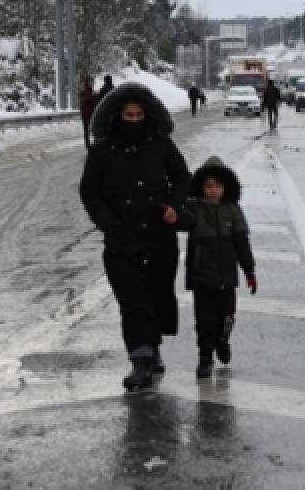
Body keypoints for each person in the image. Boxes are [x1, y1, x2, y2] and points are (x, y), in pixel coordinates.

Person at [79, 83, 190, 391]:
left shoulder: (162, 145)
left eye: (139, 114)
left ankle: (152, 349)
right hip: (120, 241)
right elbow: (90, 192)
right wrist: (109, 224)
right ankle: (139, 361)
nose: (134, 119)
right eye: (128, 115)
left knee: (156, 298)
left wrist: (175, 207)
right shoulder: (101, 152)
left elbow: (182, 177)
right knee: (133, 302)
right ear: (117, 116)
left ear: (149, 114)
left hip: (160, 238)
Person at [173, 156, 257, 379]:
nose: (213, 191)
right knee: (204, 321)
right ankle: (205, 357)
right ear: (201, 187)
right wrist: (170, 209)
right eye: (209, 186)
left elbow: (242, 244)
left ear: (225, 187)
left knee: (225, 319)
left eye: (218, 186)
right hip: (202, 277)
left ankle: (222, 341)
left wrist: (250, 271)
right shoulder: (194, 210)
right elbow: (180, 221)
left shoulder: (233, 211)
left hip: (227, 279)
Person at [78, 77, 99, 149]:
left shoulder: (95, 93)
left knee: (95, 129)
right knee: (87, 130)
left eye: (92, 82)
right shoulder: (83, 93)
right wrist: (92, 96)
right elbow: (84, 100)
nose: (92, 84)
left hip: (93, 113)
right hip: (86, 114)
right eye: (90, 82)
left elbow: (97, 102)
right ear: (86, 83)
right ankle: (88, 145)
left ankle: (96, 144)